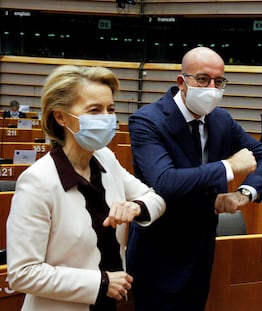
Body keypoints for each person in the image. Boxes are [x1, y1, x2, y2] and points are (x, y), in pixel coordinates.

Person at [127, 46, 262, 311]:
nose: (212, 87)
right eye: (202, 79)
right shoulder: (147, 120)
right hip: (160, 252)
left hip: (202, 249)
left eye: (219, 81)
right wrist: (227, 167)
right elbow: (165, 181)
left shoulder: (221, 120)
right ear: (182, 82)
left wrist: (244, 193)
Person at [6, 65, 166, 311]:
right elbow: (23, 273)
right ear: (60, 117)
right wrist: (100, 283)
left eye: (110, 109)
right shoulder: (37, 181)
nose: (107, 117)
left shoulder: (105, 158)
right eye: (94, 110)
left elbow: (155, 198)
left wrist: (136, 207)